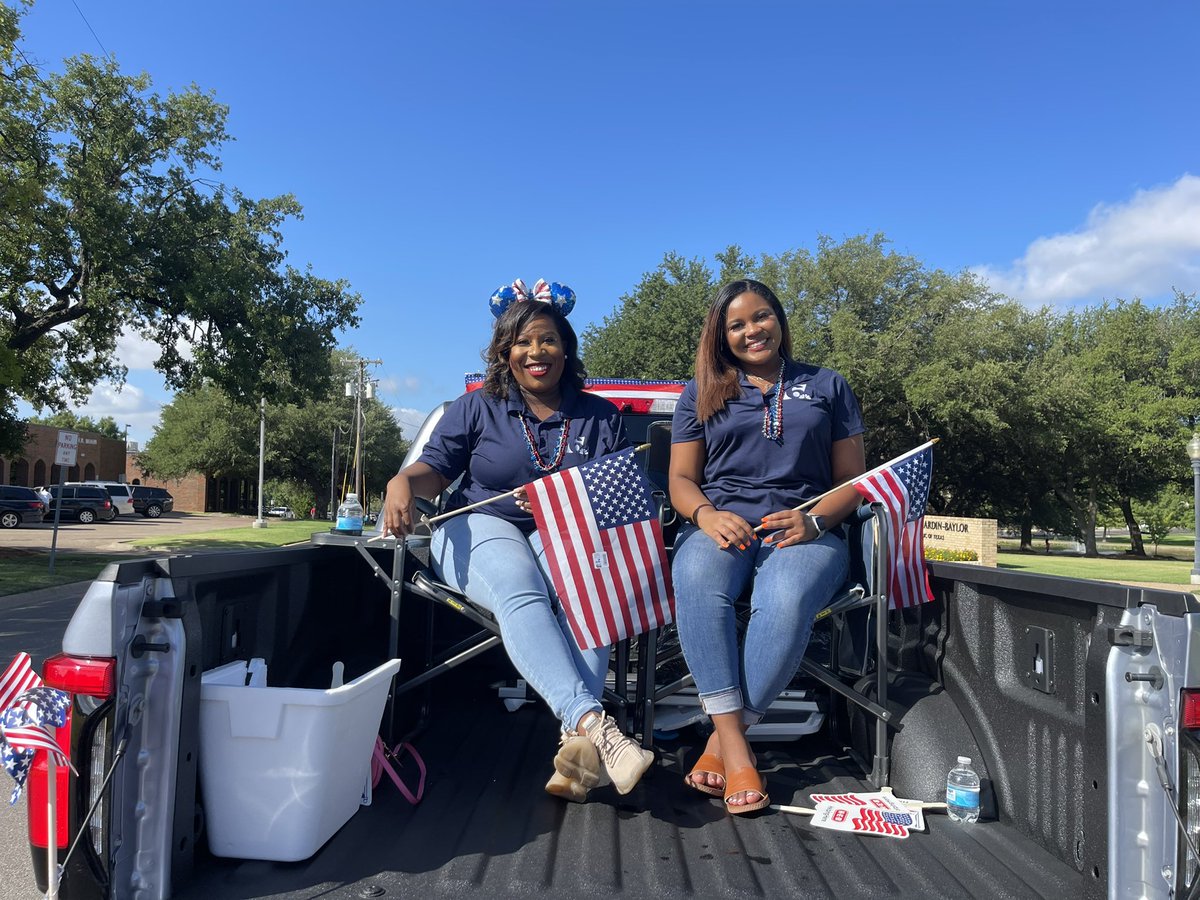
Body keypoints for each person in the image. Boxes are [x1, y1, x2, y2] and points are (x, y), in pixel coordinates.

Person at [383, 278, 655, 803]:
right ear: (505, 352)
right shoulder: (476, 407)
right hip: (479, 526)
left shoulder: (600, 416)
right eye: (524, 342)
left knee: (586, 588)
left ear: (566, 348)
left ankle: (578, 748)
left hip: (566, 530)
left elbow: (624, 496)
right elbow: (432, 474)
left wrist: (566, 497)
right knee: (518, 585)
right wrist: (401, 483)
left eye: (548, 340)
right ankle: (595, 725)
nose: (537, 352)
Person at [668, 279, 866, 815]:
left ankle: (722, 743)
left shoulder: (828, 385)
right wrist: (706, 514)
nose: (751, 330)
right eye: (736, 324)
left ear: (779, 320)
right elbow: (681, 481)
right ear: (722, 335)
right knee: (698, 584)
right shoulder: (701, 391)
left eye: (761, 317)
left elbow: (853, 479)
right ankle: (737, 745)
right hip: (720, 526)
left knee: (784, 597)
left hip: (806, 529)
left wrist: (816, 521)